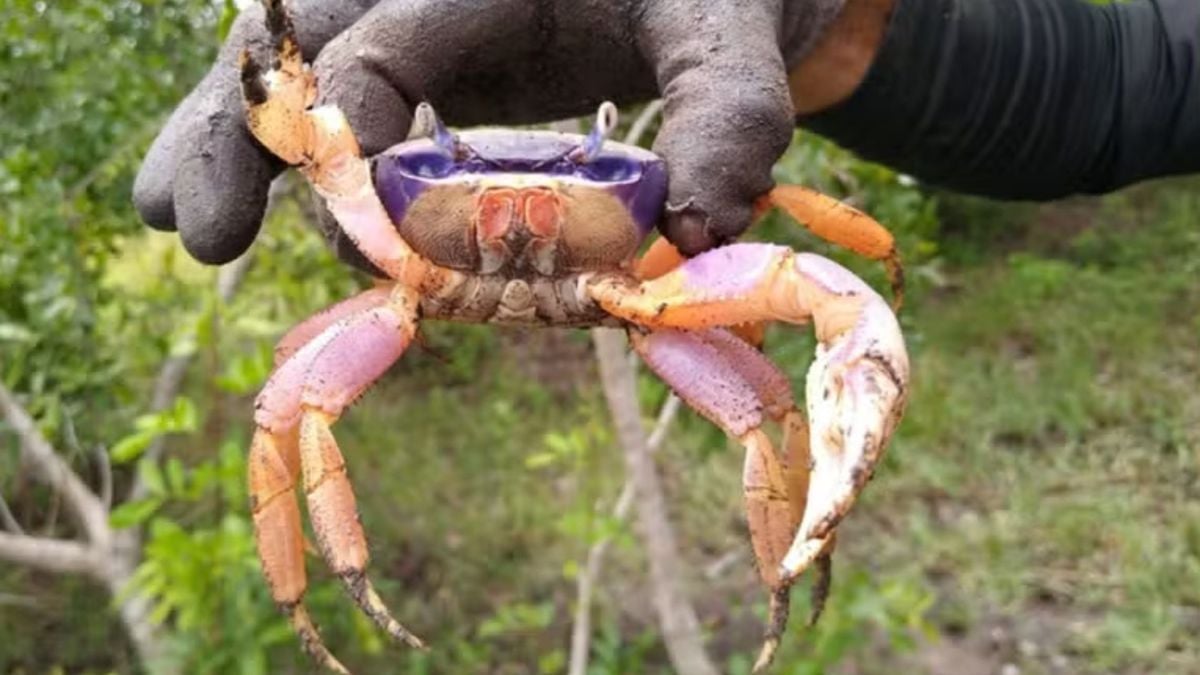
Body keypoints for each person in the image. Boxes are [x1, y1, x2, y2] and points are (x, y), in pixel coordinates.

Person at [134, 0, 1200, 269]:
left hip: (642, 267)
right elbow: (1125, 89)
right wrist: (826, 26)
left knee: (822, 307)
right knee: (294, 406)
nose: (523, 213)